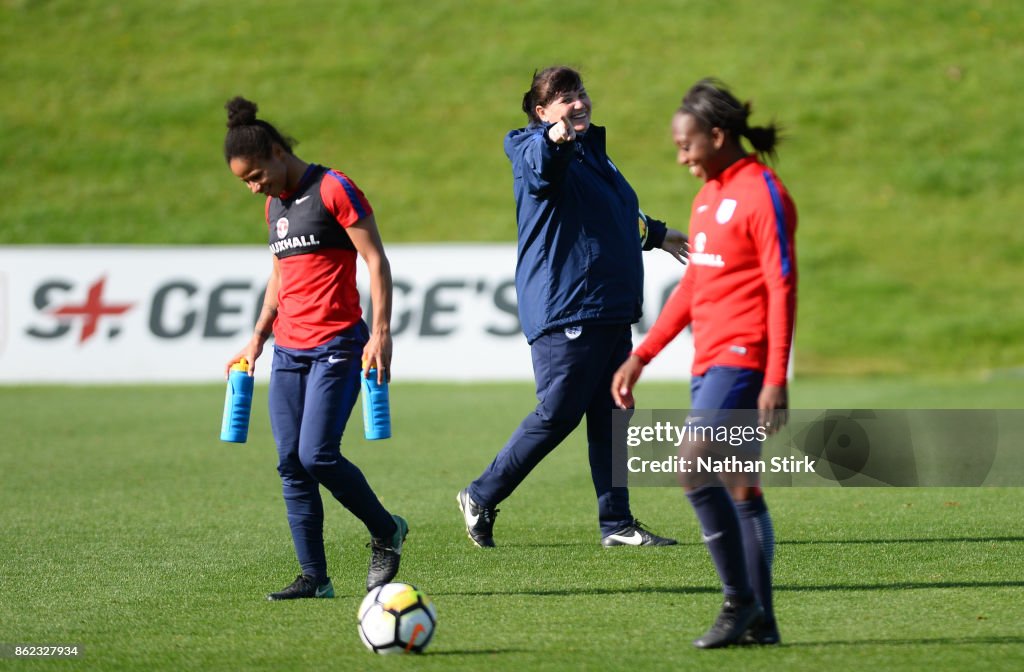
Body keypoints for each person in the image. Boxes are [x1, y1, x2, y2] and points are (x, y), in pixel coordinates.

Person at [456, 66, 688, 549]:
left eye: (579, 93)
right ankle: (481, 494)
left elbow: (614, 213)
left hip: (607, 305)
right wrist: (554, 138)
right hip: (569, 306)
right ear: (542, 112)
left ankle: (618, 524)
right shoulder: (529, 146)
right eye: (563, 98)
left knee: (610, 413)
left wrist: (659, 234)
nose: (577, 103)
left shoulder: (593, 153)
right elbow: (540, 171)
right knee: (560, 411)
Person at [612, 78, 797, 648]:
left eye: (686, 144)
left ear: (717, 136)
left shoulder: (764, 192)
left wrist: (775, 378)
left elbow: (782, 284)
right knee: (740, 488)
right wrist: (642, 355)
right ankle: (762, 623)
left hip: (744, 361)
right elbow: (692, 285)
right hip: (707, 360)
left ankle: (738, 602)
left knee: (691, 465)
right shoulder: (707, 197)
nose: (681, 155)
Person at [222, 96, 407, 600]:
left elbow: (375, 260)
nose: (253, 186)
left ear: (279, 153)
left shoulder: (334, 188)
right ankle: (315, 578)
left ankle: (386, 530)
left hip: (337, 344)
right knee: (290, 462)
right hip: (288, 351)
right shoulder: (273, 204)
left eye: (256, 174)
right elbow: (280, 276)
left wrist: (381, 331)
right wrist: (258, 336)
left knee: (317, 454)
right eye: (245, 182)